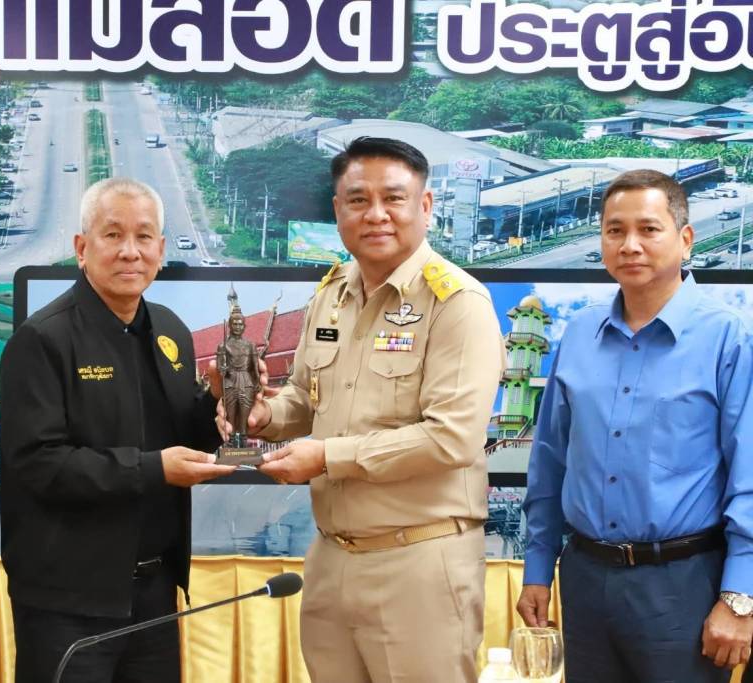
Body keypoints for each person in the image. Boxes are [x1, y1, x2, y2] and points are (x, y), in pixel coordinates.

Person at [216, 136, 505, 682]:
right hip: (331, 557)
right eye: (357, 200)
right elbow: (304, 396)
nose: (375, 215)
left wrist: (328, 457)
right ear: (337, 209)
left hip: (419, 559)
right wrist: (263, 417)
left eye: (393, 198)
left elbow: (451, 438)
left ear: (425, 206)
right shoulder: (331, 294)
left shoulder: (457, 304)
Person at [518, 169, 753, 681]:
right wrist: (537, 567)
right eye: (614, 230)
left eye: (648, 229)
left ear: (685, 239)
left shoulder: (727, 338)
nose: (630, 245)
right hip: (584, 578)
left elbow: (749, 475)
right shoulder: (579, 333)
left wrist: (740, 595)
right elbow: (550, 460)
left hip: (683, 585)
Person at [0, 177, 236, 683]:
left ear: (161, 249)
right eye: (113, 235)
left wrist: (216, 404)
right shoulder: (42, 339)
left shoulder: (170, 330)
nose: (131, 251)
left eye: (144, 236)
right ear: (82, 248)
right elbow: (38, 465)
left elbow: (181, 436)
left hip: (155, 591)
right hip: (67, 599)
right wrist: (154, 469)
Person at [216, 298, 260, 447]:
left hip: (246, 380)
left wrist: (257, 381)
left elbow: (254, 367)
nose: (238, 327)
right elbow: (220, 366)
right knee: (231, 413)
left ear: (244, 326)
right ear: (229, 325)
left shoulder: (250, 345)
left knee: (244, 413)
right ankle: (231, 441)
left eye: (240, 324)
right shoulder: (223, 346)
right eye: (235, 324)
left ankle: (243, 440)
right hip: (230, 379)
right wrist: (222, 369)